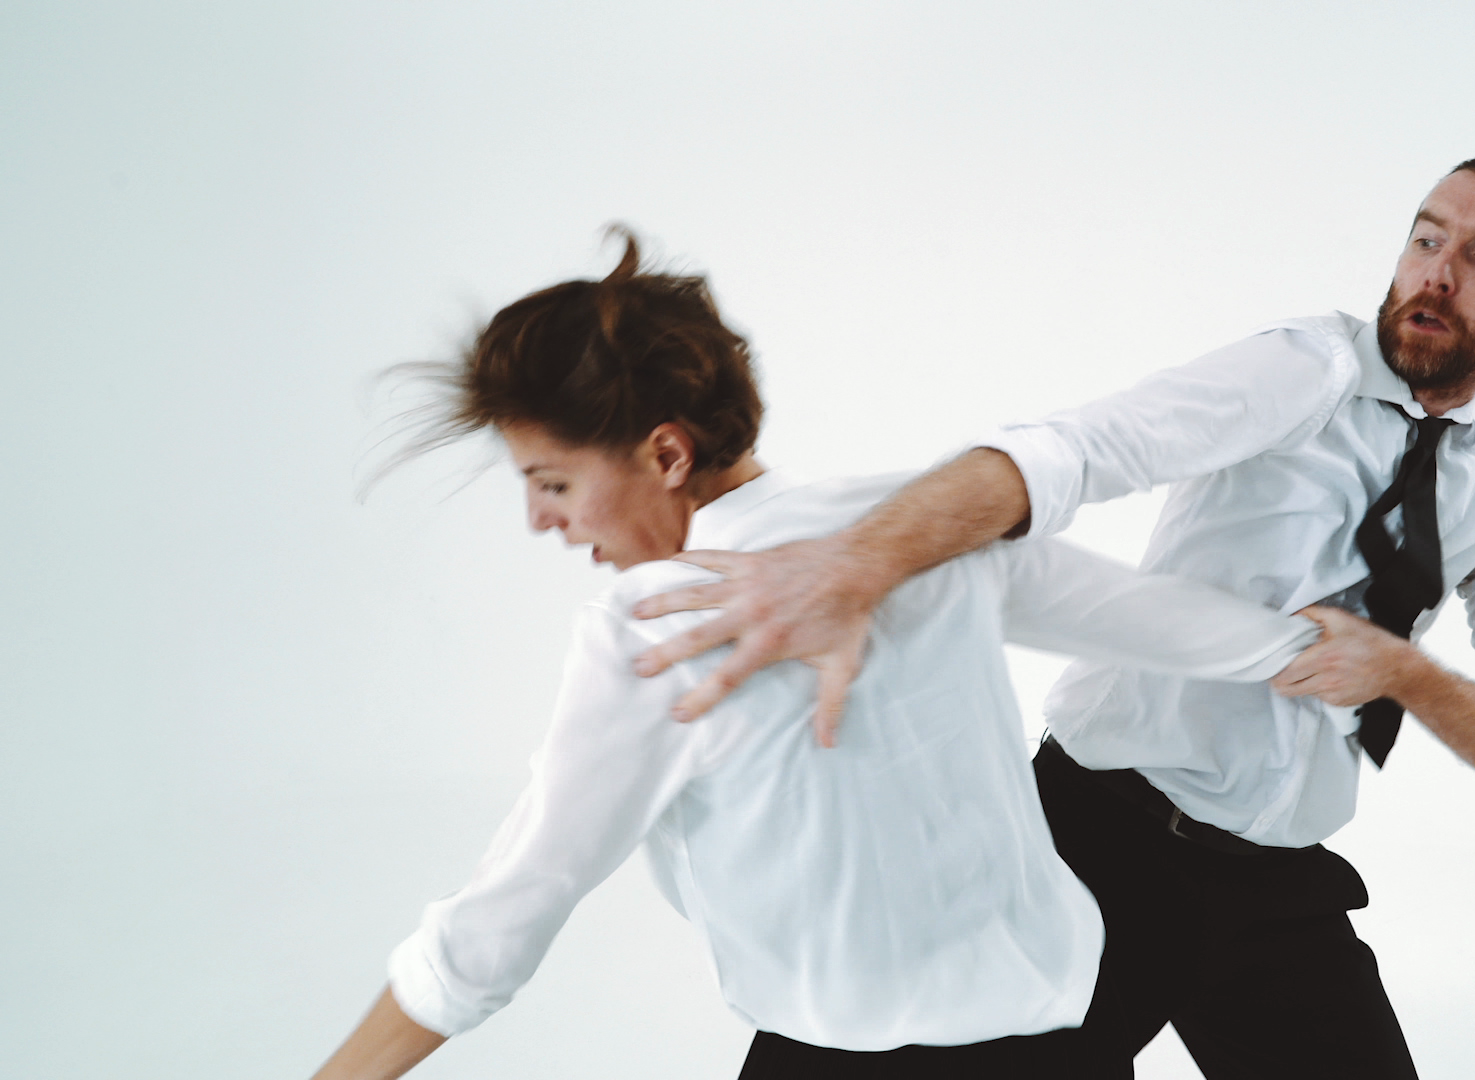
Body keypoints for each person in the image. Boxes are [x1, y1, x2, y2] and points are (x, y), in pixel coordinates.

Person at [629, 155, 1475, 1076]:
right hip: (1098, 839)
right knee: (878, 1048)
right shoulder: (1306, 370)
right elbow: (1075, 453)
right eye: (1426, 238)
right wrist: (854, 563)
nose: (1438, 275)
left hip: (1277, 883)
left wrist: (1401, 672)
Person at [309, 231, 1328, 1080]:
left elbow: (498, 928)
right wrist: (1321, 651)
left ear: (665, 453)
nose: (539, 518)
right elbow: (1149, 618)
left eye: (553, 482)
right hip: (1061, 1042)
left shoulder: (655, 627)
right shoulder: (927, 525)